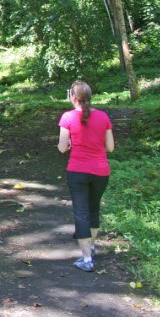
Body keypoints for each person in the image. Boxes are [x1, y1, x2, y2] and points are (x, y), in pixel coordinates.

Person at [58, 81, 115, 272]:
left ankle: (87, 259)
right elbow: (110, 148)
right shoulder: (103, 116)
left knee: (81, 213)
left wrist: (74, 144)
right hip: (101, 171)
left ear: (72, 97)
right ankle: (90, 246)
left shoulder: (67, 117)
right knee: (93, 209)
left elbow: (61, 147)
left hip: (78, 171)